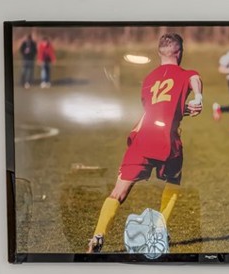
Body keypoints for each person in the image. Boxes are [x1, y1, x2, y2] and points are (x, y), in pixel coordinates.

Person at [86, 33, 203, 254]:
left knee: (118, 192)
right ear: (180, 53)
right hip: (168, 141)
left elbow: (156, 108)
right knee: (173, 184)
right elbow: (194, 80)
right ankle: (160, 230)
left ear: (159, 54)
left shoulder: (149, 79)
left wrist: (182, 109)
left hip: (143, 139)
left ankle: (98, 235)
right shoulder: (187, 73)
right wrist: (197, 98)